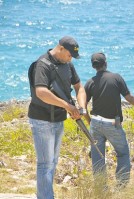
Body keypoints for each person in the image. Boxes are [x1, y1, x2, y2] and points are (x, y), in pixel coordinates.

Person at [28, 36, 86, 199]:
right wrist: (68, 106)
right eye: (69, 55)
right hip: (41, 120)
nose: (70, 59)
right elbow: (41, 92)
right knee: (45, 164)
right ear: (61, 48)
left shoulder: (68, 64)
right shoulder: (42, 64)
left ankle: (45, 195)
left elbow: (79, 87)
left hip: (58, 119)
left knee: (52, 162)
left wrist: (81, 107)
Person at [84, 52, 134, 187]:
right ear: (106, 63)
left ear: (93, 66)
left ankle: (101, 187)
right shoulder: (116, 78)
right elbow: (129, 97)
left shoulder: (90, 82)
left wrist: (89, 121)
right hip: (113, 123)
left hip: (95, 122)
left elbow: (83, 106)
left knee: (97, 156)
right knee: (123, 153)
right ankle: (121, 186)